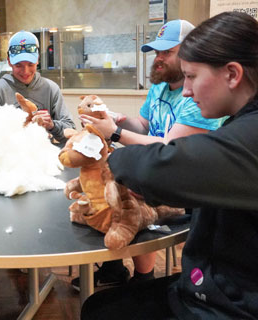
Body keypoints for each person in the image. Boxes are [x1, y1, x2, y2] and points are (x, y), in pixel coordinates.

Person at [82, 11, 258, 319]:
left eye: (193, 77)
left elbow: (163, 164)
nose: (187, 90)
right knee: (98, 306)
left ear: (232, 74)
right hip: (215, 283)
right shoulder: (239, 121)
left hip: (231, 304)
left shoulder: (249, 135)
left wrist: (112, 157)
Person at [72, 19, 224, 290]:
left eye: (167, 52)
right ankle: (114, 266)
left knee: (127, 196)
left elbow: (168, 148)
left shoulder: (197, 96)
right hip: (156, 170)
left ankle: (144, 281)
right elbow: (142, 126)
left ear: (190, 52)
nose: (159, 59)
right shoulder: (160, 86)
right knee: (102, 181)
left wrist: (115, 134)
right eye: (157, 52)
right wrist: (115, 119)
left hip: (184, 185)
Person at [0, 30, 75, 142]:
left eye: (30, 64)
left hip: (44, 151)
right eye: (18, 65)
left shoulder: (51, 88)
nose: (25, 72)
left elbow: (71, 130)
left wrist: (51, 125)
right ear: (9, 61)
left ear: (38, 59)